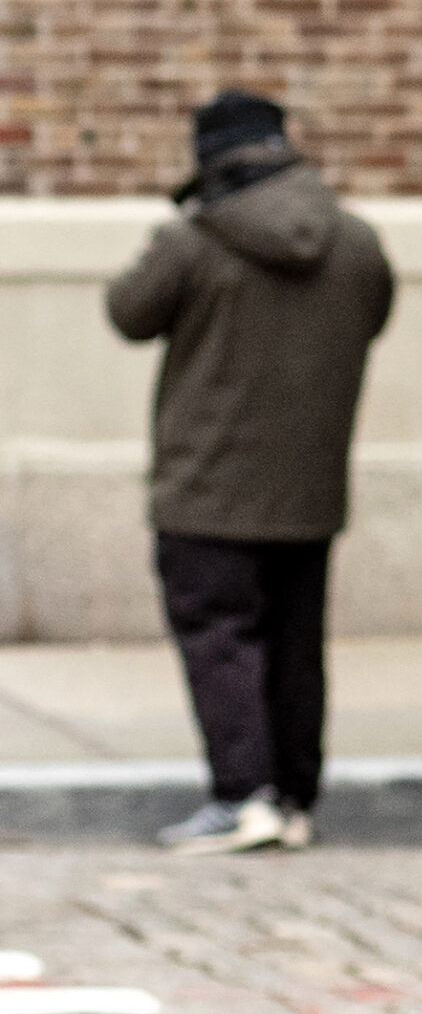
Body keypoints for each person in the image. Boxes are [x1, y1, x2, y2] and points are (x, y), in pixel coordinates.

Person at [107, 90, 396, 855]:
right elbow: (374, 317)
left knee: (219, 637)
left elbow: (127, 313)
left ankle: (241, 795)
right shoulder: (359, 243)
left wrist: (180, 223)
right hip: (309, 490)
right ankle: (293, 799)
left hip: (205, 488)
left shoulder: (193, 241)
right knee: (297, 645)